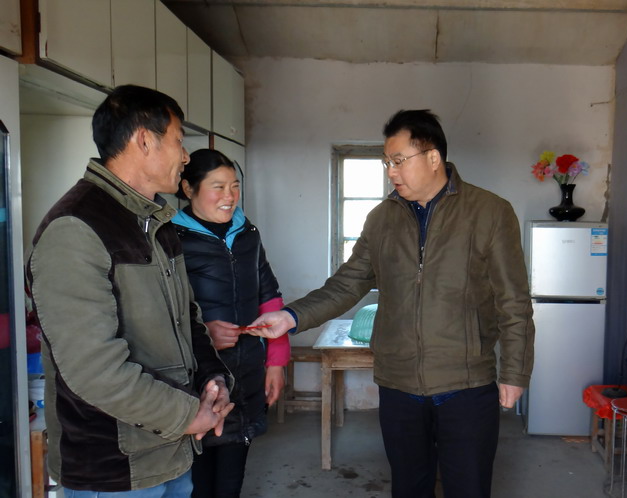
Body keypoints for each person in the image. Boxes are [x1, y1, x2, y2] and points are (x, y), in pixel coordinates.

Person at [247, 109, 535, 498]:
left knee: (468, 488)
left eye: (399, 161)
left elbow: (513, 301)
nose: (391, 172)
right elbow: (347, 284)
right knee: (409, 487)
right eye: (387, 162)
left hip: (465, 384)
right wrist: (291, 316)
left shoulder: (489, 212)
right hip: (399, 384)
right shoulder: (381, 219)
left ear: (433, 158)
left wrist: (515, 372)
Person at [26, 85, 235, 496]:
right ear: (144, 141)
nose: (185, 156)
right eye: (178, 141)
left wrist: (213, 380)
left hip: (170, 452)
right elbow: (94, 371)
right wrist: (188, 414)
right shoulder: (76, 228)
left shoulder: (156, 223)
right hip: (114, 471)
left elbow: (188, 319)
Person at [172, 149, 289, 497]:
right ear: (188, 188)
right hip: (196, 378)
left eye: (235, 186)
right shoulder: (172, 237)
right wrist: (201, 332)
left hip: (247, 371)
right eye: (218, 186)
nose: (230, 196)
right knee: (197, 481)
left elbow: (269, 295)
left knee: (231, 480)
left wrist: (276, 363)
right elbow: (160, 311)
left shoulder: (247, 232)